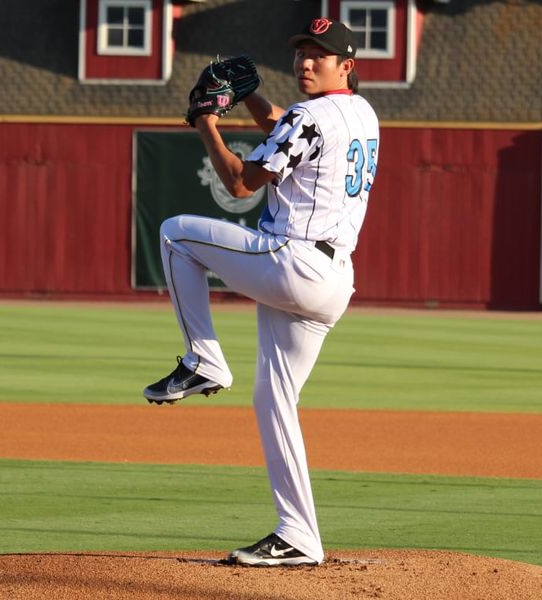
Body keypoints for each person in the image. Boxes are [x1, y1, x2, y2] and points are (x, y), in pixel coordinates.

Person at [143, 17, 380, 567]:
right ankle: (299, 535)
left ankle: (204, 360)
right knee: (274, 399)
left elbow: (238, 183)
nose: (306, 62)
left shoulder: (310, 114)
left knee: (176, 234)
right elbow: (287, 129)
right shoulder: (362, 113)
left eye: (319, 55)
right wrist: (251, 98)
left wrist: (205, 121)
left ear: (345, 65)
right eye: (302, 52)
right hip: (334, 281)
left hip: (292, 261)